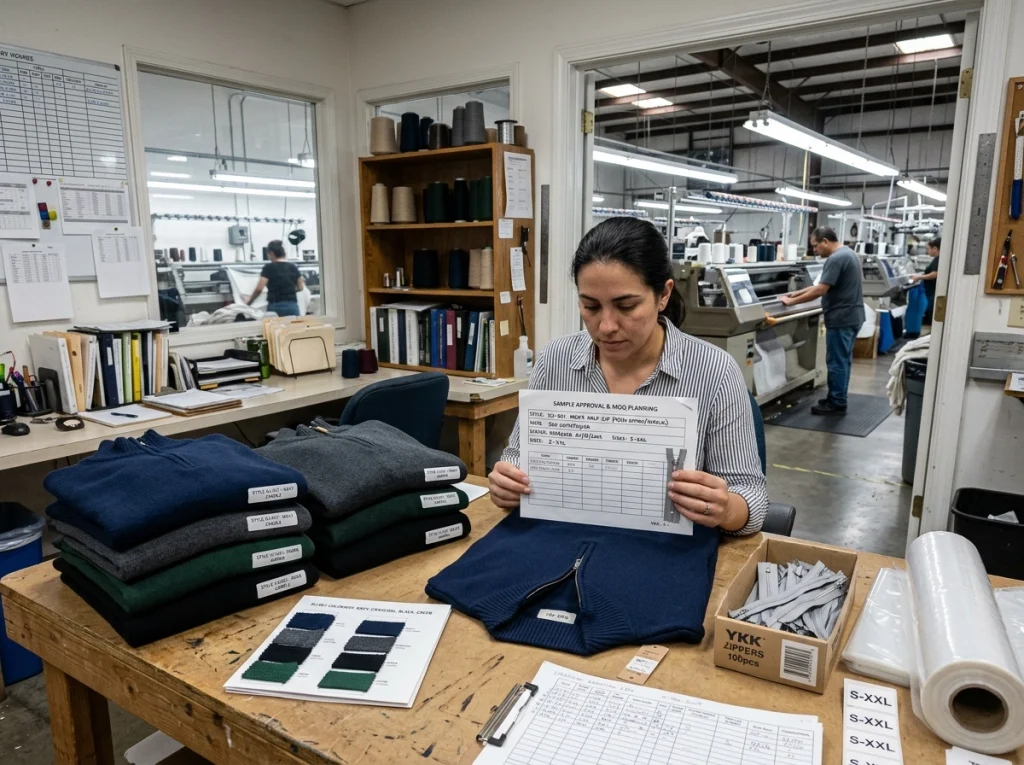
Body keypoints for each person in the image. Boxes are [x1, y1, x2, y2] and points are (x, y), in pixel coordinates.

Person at [488, 217, 768, 535]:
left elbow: (754, 501)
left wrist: (726, 508)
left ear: (663, 294)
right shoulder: (556, 360)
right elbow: (516, 458)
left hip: (660, 550)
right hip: (560, 537)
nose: (606, 326)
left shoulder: (713, 371)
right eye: (590, 307)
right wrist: (505, 482)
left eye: (626, 306)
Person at [779, 227, 864, 416]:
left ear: (825, 241)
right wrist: (796, 292)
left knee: (836, 362)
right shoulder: (848, 253)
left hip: (841, 318)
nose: (815, 250)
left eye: (816, 246)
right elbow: (820, 285)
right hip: (851, 316)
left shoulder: (836, 258)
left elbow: (820, 290)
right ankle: (837, 397)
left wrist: (791, 302)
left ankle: (836, 403)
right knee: (843, 361)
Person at [246, 240, 304, 316]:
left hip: (276, 307)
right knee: (293, 327)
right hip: (292, 307)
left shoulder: (268, 268)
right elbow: (300, 287)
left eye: (268, 255)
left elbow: (259, 289)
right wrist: (288, 290)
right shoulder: (293, 267)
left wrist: (249, 302)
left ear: (271, 253)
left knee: (276, 328)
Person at [909, 237, 940, 324]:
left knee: (931, 316)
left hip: (932, 292)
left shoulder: (938, 259)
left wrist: (919, 277)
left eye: (928, 249)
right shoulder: (938, 259)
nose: (927, 251)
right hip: (931, 292)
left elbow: (934, 274)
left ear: (935, 249)